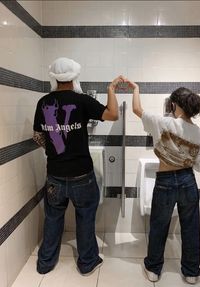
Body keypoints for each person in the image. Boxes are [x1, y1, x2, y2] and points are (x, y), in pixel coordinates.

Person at [33, 57, 124, 275]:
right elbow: (113, 114)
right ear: (74, 76)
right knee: (85, 219)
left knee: (53, 219)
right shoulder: (82, 101)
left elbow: (37, 136)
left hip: (54, 175)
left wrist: (52, 150)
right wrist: (111, 89)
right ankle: (87, 262)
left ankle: (45, 263)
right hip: (82, 176)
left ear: (54, 77)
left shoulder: (43, 102)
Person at [126, 79, 200, 285]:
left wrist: (136, 88)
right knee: (191, 227)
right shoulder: (199, 132)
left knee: (159, 225)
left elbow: (136, 109)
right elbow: (199, 165)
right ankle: (190, 272)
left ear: (174, 105)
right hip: (188, 180)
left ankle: (153, 269)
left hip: (165, 181)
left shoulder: (163, 122)